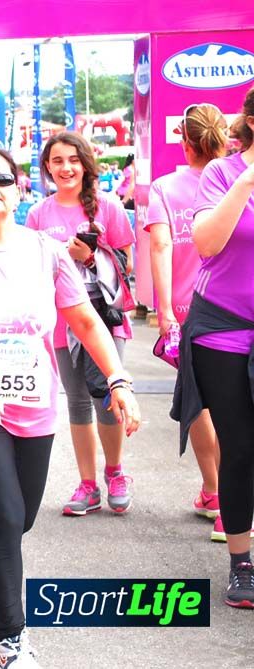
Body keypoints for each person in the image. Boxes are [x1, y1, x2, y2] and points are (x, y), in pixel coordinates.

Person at [0, 146, 140, 667]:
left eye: (1, 178)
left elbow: (85, 320)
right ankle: (11, 641)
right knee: (3, 513)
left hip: (32, 400)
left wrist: (118, 378)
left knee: (20, 518)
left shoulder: (44, 251)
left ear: (19, 188)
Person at [26, 131, 137, 517]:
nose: (66, 168)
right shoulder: (38, 214)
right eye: (57, 161)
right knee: (75, 402)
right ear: (47, 168)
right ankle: (88, 484)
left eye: (73, 160)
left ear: (85, 164)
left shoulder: (107, 206)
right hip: (60, 321)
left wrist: (90, 258)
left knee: (106, 398)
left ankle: (116, 472)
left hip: (103, 317)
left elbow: (127, 266)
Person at [175, 84, 254, 608]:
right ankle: (242, 561)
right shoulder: (223, 174)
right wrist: (248, 176)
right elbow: (206, 243)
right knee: (241, 446)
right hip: (224, 327)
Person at [147, 103, 228, 540]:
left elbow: (160, 247)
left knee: (202, 406)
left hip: (189, 311)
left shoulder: (166, 187)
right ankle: (221, 500)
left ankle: (217, 494)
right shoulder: (237, 179)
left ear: (184, 141)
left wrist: (163, 310)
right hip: (237, 308)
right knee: (237, 405)